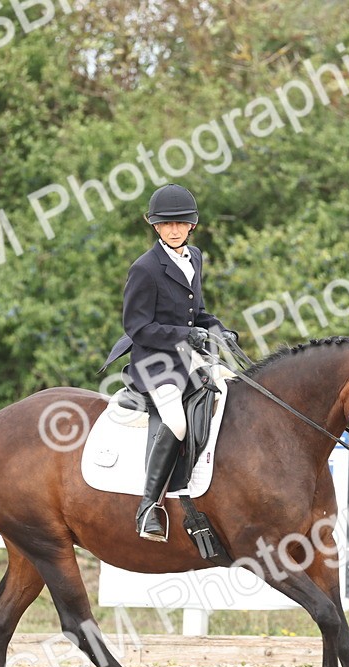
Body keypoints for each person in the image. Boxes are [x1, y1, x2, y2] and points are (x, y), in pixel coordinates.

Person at [101, 184, 237, 541]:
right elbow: (137, 327)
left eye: (181, 223)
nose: (174, 230)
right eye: (166, 225)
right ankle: (148, 507)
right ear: (154, 226)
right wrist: (183, 335)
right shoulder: (145, 269)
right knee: (176, 421)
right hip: (155, 364)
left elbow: (199, 313)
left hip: (190, 357)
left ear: (192, 225)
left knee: (232, 390)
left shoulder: (195, 257)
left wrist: (220, 330)